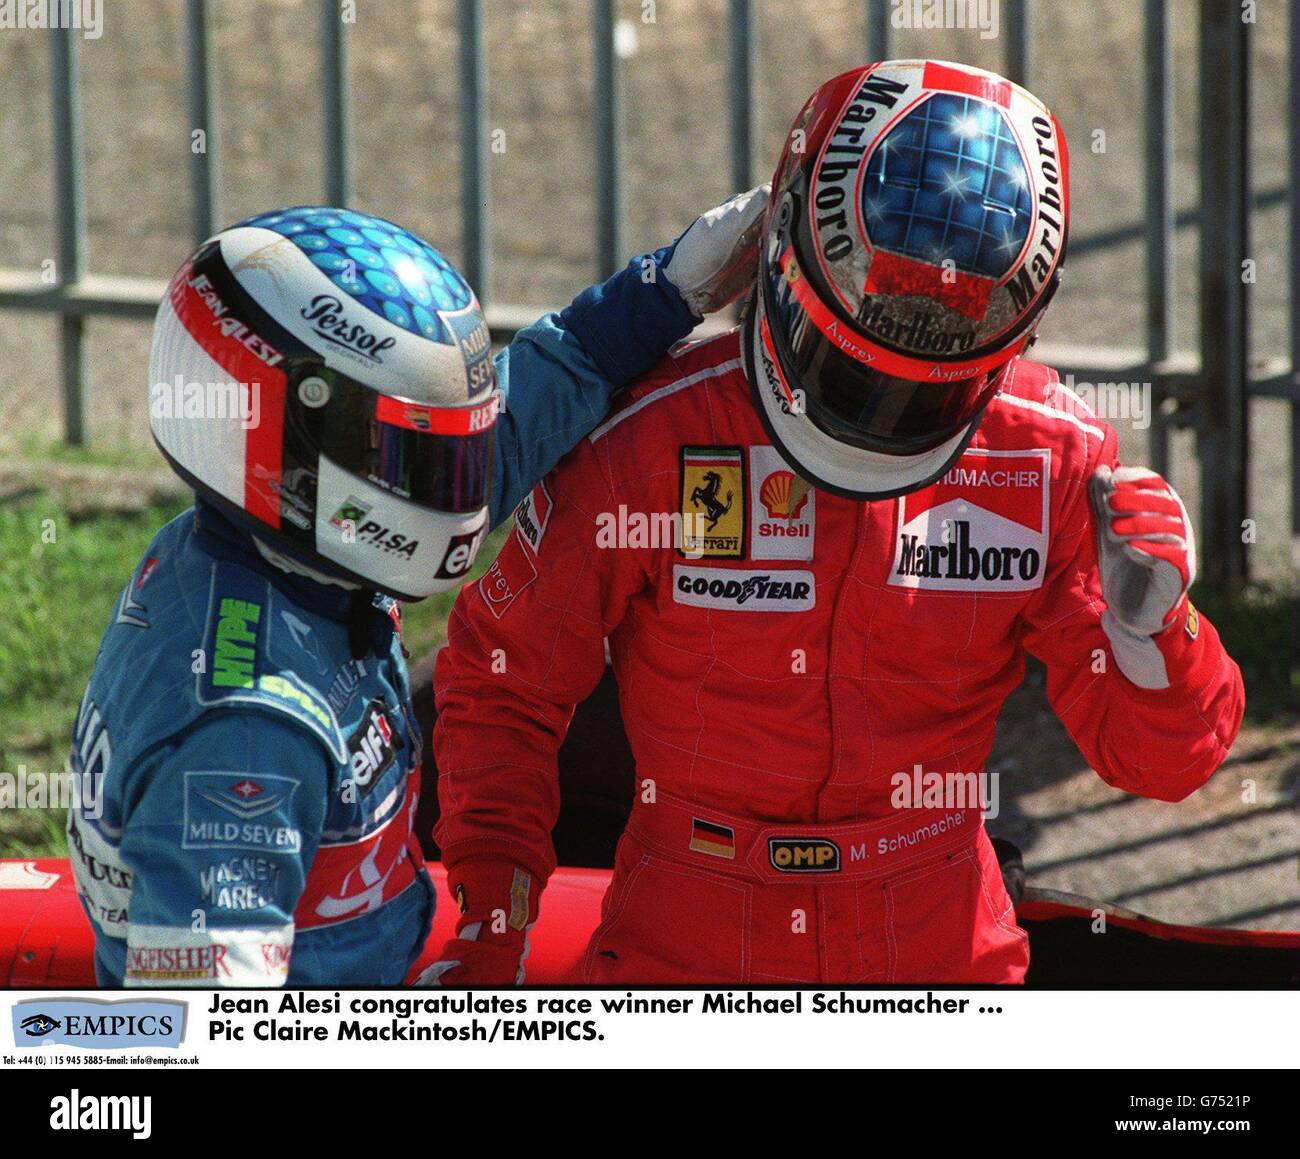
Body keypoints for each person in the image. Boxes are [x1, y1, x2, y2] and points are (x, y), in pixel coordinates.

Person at [427, 61, 1245, 985]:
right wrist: (492, 916)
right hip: (684, 927)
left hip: (939, 933)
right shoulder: (653, 435)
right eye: (854, 370)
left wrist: (1158, 637)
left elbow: (1162, 765)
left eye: (920, 392)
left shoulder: (1051, 458)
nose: (879, 416)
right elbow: (502, 684)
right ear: (782, 253)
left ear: (1011, 338)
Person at [66, 194, 768, 987]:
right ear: (291, 444)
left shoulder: (285, 550)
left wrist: (662, 292)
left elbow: (493, 444)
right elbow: (205, 1024)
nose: (460, 487)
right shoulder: (248, 730)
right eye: (415, 458)